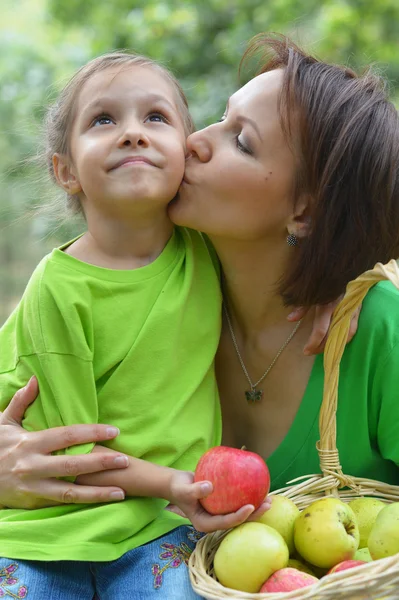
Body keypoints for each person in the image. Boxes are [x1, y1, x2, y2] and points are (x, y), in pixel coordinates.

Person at [2, 31, 395, 593]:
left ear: (304, 211)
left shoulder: (376, 329)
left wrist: (361, 271)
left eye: (241, 140)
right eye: (217, 118)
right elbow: (20, 378)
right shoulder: (137, 278)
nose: (194, 143)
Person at [0, 51, 265, 600]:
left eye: (156, 118)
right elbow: (74, 451)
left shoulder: (204, 249)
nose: (132, 134)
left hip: (159, 527)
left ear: (186, 153)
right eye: (103, 120)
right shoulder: (58, 288)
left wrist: (355, 292)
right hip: (47, 533)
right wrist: (173, 483)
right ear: (65, 170)